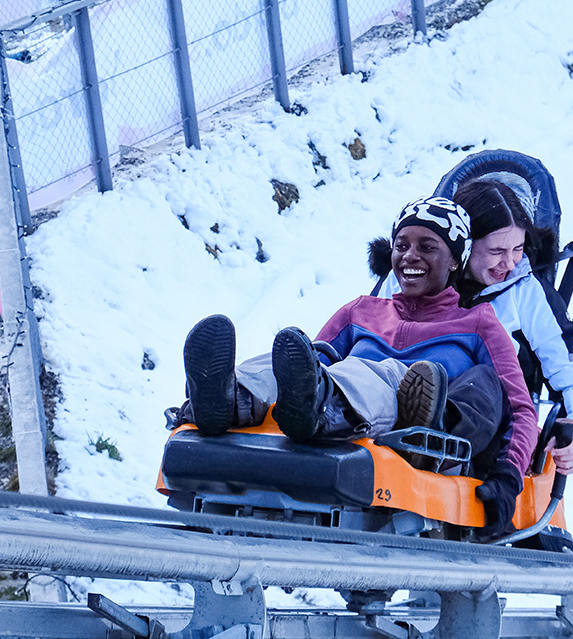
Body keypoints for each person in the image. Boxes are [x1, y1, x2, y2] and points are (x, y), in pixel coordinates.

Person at [176, 197, 537, 538]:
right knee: (284, 362)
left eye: (427, 247)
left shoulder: (477, 324)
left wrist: (509, 477)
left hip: (405, 423)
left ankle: (324, 407)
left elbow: (520, 409)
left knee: (380, 373)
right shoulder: (361, 310)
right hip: (332, 395)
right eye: (402, 245)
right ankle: (228, 400)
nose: (410, 256)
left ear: (455, 259)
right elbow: (304, 366)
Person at [373, 177, 573, 477]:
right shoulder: (411, 274)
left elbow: (570, 372)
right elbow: (369, 333)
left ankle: (432, 438)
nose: (508, 263)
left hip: (484, 434)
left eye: (518, 249)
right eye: (496, 251)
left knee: (482, 380)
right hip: (391, 399)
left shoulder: (527, 293)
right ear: (463, 245)